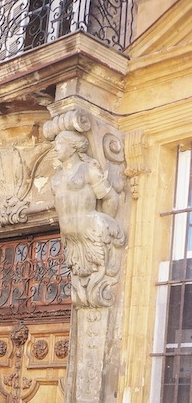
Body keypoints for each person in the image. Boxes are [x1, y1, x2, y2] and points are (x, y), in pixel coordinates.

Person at [51, 130, 125, 307]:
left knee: (97, 288)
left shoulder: (87, 169)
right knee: (82, 289)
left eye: (60, 144)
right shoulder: (57, 178)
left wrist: (103, 223)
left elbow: (110, 198)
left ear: (73, 147)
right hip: (71, 240)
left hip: (91, 233)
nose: (56, 148)